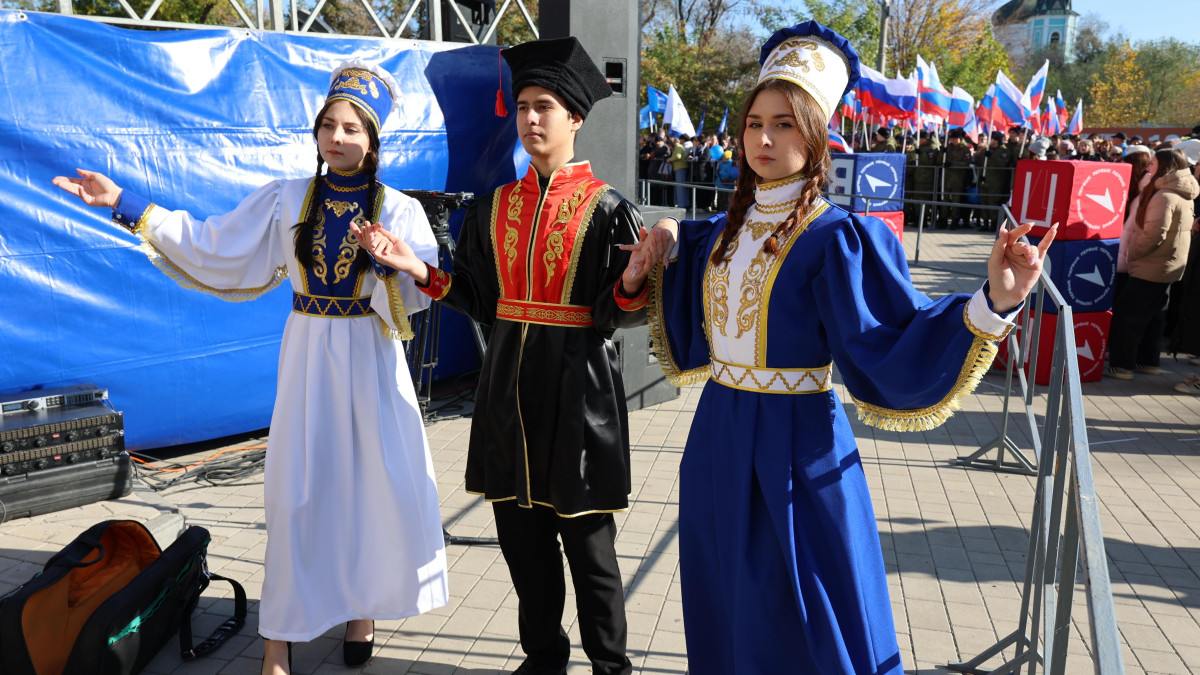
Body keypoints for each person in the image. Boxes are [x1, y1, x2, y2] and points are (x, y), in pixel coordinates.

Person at [621, 21, 1053, 674]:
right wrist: (666, 232)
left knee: (805, 603)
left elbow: (894, 334)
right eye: (755, 123)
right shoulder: (722, 229)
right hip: (718, 430)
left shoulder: (839, 237)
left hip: (797, 442)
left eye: (785, 124)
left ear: (817, 134)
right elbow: (685, 248)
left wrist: (993, 298)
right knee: (725, 592)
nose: (764, 139)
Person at [52, 61, 450, 675]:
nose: (337, 137)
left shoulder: (399, 210)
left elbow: (424, 288)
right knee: (296, 496)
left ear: (373, 140)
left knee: (369, 489)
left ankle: (361, 611)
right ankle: (278, 640)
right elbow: (213, 243)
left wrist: (393, 265)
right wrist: (125, 204)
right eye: (328, 125)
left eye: (352, 128)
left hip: (371, 361)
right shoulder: (286, 198)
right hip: (308, 357)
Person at [355, 37, 644, 675]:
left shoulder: (609, 210)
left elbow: (620, 312)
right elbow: (480, 299)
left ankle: (611, 667)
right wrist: (416, 268)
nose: (531, 119)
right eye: (522, 107)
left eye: (545, 107)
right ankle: (543, 659)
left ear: (575, 117)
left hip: (579, 399)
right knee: (523, 546)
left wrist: (630, 282)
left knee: (591, 553)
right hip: (506, 397)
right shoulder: (493, 208)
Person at [1107, 148, 1197, 380]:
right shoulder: (1181, 192)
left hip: (1151, 265)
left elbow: (1154, 233)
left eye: (1153, 163)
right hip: (1166, 265)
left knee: (1127, 316)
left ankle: (1122, 366)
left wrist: (1134, 253)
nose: (1149, 167)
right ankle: (1146, 361)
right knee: (1153, 316)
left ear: (1165, 167)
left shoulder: (1164, 195)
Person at [974, 130, 1014, 231]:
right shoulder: (986, 150)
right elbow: (980, 164)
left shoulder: (1004, 151)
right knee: (984, 202)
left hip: (997, 182)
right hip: (985, 181)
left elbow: (1002, 163)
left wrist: (992, 156)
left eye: (992, 139)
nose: (990, 141)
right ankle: (985, 222)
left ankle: (994, 223)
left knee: (993, 202)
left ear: (997, 140)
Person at [942, 127, 974, 229]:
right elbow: (940, 161)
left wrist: (952, 164)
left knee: (956, 201)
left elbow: (967, 163)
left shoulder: (965, 149)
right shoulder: (948, 147)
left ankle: (955, 220)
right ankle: (943, 219)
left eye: (955, 138)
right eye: (951, 139)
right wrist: (942, 153)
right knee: (945, 200)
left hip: (958, 180)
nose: (953, 141)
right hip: (946, 179)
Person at [671, 134, 692, 208]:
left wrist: (670, 159)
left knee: (680, 187)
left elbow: (678, 156)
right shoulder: (680, 146)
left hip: (680, 167)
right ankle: (684, 203)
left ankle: (682, 204)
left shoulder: (678, 146)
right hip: (681, 167)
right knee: (682, 187)